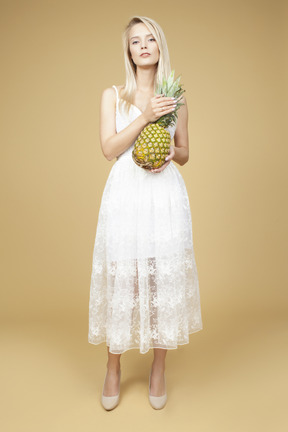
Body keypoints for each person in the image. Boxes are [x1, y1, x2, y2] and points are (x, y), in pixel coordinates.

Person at [88, 15, 203, 410]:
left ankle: (158, 368)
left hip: (163, 194)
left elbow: (185, 152)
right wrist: (145, 116)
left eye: (150, 39)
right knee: (123, 278)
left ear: (159, 47)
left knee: (159, 284)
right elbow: (108, 149)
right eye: (135, 41)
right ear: (129, 51)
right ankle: (113, 366)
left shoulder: (177, 97)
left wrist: (173, 151)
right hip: (125, 194)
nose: (143, 46)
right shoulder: (114, 95)